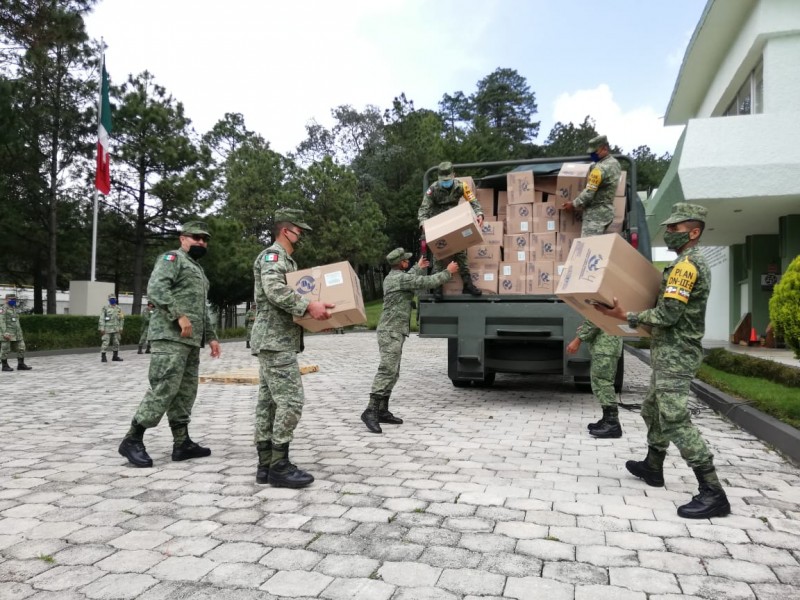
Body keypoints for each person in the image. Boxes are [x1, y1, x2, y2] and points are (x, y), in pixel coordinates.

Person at [595, 202, 730, 519]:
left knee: (673, 417)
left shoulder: (687, 266)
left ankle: (713, 492)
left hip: (677, 353)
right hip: (667, 350)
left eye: (675, 228)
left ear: (693, 232)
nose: (668, 232)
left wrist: (624, 315)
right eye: (668, 227)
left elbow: (668, 314)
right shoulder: (682, 263)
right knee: (651, 408)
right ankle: (653, 467)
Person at [118, 221, 221, 468]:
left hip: (190, 341)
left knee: (185, 392)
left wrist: (211, 336)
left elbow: (201, 308)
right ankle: (132, 439)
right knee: (164, 387)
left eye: (205, 239)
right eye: (196, 237)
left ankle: (182, 443)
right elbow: (156, 288)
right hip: (169, 337)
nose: (201, 243)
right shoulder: (171, 259)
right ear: (182, 238)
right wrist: (178, 315)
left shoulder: (197, 269)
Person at [252, 208, 334, 489]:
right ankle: (279, 466)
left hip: (274, 340)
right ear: (286, 230)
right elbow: (275, 291)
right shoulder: (273, 257)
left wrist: (316, 317)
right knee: (291, 402)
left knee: (269, 403)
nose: (301, 235)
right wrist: (309, 305)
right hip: (275, 342)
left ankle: (266, 465)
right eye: (299, 230)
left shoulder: (286, 260)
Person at [361, 249, 458, 433]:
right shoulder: (400, 279)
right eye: (406, 260)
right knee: (387, 370)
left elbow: (411, 278)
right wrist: (448, 272)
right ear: (401, 263)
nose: (408, 261)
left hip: (394, 331)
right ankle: (370, 411)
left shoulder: (396, 277)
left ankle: (382, 410)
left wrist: (418, 267)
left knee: (393, 371)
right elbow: (425, 282)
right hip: (391, 331)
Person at [418, 161, 484, 298]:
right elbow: (424, 209)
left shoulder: (461, 186)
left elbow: (473, 201)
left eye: (448, 180)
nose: (445, 183)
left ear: (454, 175)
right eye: (443, 181)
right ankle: (437, 289)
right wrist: (423, 223)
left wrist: (479, 214)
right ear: (438, 179)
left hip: (455, 223)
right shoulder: (433, 189)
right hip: (439, 225)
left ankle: (468, 285)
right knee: (439, 256)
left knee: (461, 254)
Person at [566, 323, 623, 438]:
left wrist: (578, 339)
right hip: (607, 346)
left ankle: (612, 423)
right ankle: (607, 419)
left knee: (604, 383)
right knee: (600, 383)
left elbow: (594, 321)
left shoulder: (603, 304)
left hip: (606, 347)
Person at [560, 134, 621, 236]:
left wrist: (573, 204)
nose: (592, 155)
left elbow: (589, 193)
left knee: (590, 247)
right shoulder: (614, 163)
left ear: (605, 148)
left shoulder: (599, 169)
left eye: (595, 152)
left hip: (595, 216)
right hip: (606, 211)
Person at [1, 293, 32, 372]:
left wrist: (19, 332)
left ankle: (21, 364)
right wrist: (5, 333)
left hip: (17, 334)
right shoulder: (3, 309)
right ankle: (4, 365)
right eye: (11, 299)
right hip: (7, 333)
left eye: (14, 299)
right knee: (5, 349)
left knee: (21, 347)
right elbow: (2, 321)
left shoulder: (14, 308)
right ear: (6, 299)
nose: (13, 301)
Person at [99, 293, 125, 363]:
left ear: (116, 299)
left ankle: (115, 356)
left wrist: (121, 328)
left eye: (113, 299)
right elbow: (102, 318)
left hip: (116, 329)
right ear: (109, 300)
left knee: (116, 342)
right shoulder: (105, 308)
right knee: (105, 342)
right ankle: (103, 357)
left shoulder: (119, 308)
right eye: (111, 299)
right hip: (107, 329)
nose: (112, 300)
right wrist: (102, 328)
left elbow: (122, 319)